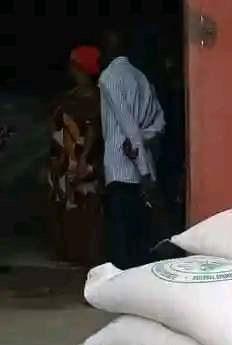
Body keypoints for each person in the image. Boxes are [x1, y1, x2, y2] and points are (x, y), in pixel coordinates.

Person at [99, 29, 165, 269]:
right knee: (139, 236)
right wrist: (146, 168)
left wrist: (141, 166)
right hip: (143, 170)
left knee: (121, 240)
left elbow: (127, 124)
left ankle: (121, 291)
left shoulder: (109, 77)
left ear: (109, 49)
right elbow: (159, 123)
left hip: (121, 168)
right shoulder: (142, 78)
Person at [47, 45, 104, 266]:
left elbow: (94, 129)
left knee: (85, 206)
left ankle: (84, 254)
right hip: (63, 160)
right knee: (64, 206)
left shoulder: (96, 98)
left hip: (81, 160)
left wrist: (84, 158)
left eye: (74, 64)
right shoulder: (68, 97)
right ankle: (69, 252)